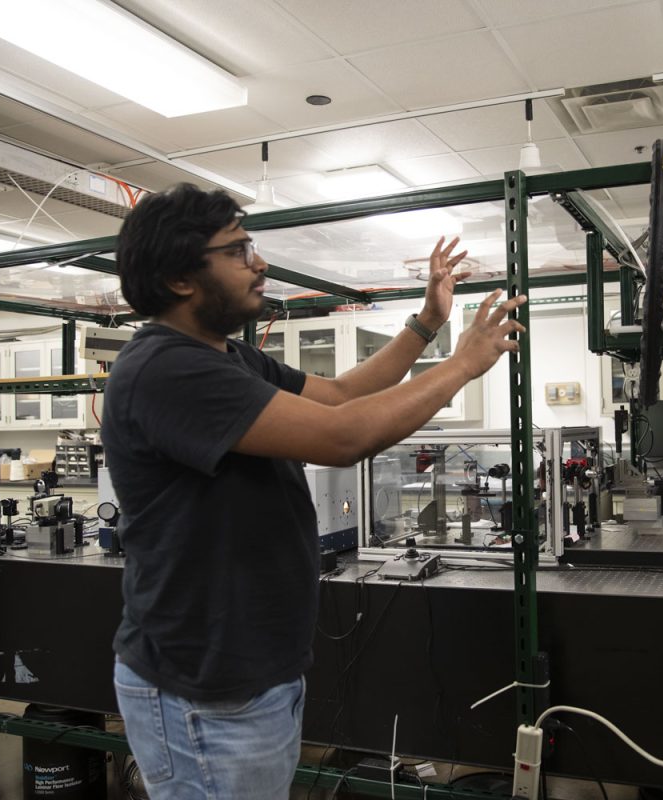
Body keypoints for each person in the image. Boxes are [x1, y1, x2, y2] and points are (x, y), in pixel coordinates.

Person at [101, 183, 526, 800]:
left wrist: (428, 322)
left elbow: (344, 395)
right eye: (239, 250)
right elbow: (340, 436)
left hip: (248, 675)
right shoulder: (167, 369)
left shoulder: (227, 360)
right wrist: (459, 365)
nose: (260, 263)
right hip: (205, 690)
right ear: (179, 278)